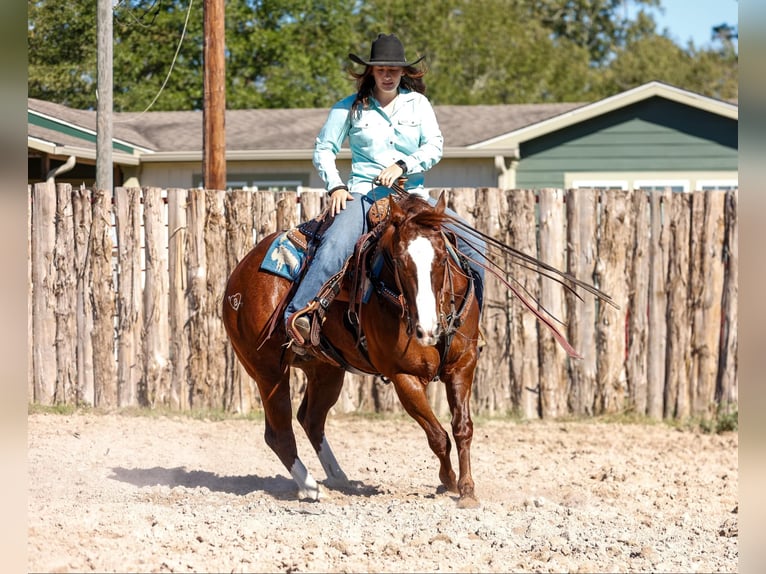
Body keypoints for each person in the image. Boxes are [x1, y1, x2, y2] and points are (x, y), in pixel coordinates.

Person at [285, 33, 485, 350]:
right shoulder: (349, 109)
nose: (388, 75)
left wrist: (404, 165)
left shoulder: (418, 105)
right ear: (371, 73)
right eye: (381, 69)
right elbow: (324, 149)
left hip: (414, 197)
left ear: (404, 72)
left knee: (475, 244)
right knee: (335, 244)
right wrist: (335, 185)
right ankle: (300, 315)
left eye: (394, 69)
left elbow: (435, 146)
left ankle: (472, 325)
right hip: (365, 196)